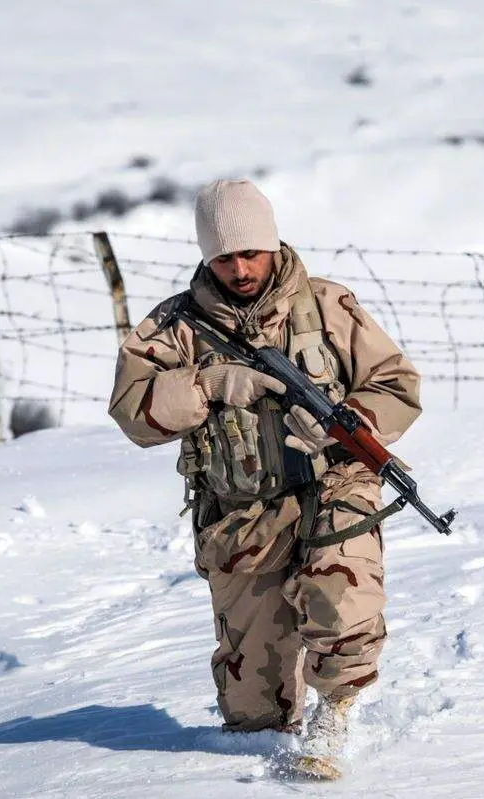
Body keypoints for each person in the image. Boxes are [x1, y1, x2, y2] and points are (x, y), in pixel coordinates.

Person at [107, 178, 421, 777]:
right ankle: (261, 744)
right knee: (253, 709)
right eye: (224, 257)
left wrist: (344, 423)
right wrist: (207, 385)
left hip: (335, 483)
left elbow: (396, 384)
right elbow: (134, 413)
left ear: (272, 244)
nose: (241, 268)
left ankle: (337, 711)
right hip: (240, 507)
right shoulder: (173, 328)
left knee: (340, 588)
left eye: (251, 252)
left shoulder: (328, 305)